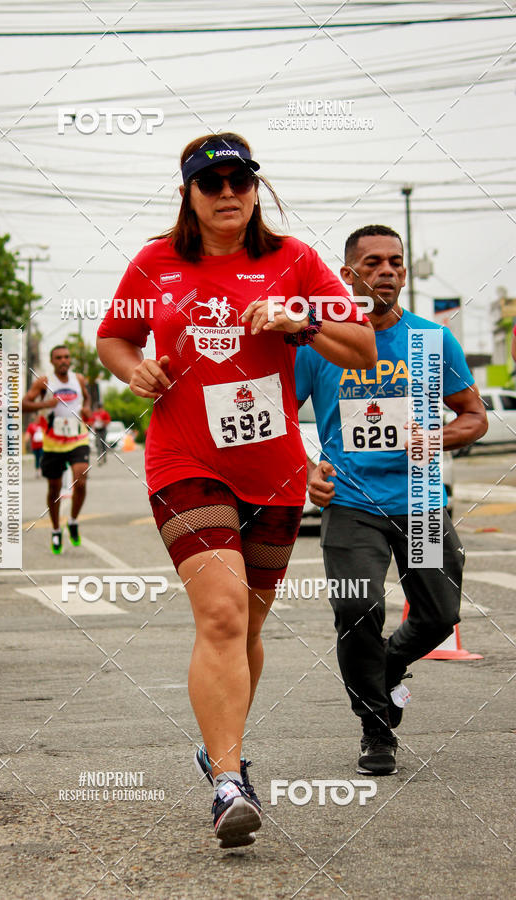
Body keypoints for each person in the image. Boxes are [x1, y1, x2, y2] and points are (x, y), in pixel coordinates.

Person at [97, 132, 376, 848]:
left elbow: (363, 347)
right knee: (219, 616)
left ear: (256, 189)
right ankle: (228, 783)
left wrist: (300, 322)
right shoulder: (155, 263)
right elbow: (114, 339)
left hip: (273, 469)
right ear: (188, 194)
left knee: (247, 628)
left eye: (240, 182)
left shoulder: (295, 261)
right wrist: (133, 369)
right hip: (186, 459)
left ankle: (222, 744)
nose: (228, 194)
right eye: (211, 183)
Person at [295, 225, 488, 776]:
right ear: (347, 274)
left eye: (396, 262)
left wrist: (435, 436)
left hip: (422, 499)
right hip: (352, 502)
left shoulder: (432, 341)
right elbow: (281, 415)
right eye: (373, 262)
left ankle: (385, 670)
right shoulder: (318, 343)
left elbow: (473, 417)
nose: (387, 271)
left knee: (438, 614)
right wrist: (307, 469)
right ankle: (376, 731)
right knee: (358, 610)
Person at [22, 346, 91, 554]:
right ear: (52, 361)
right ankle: (55, 529)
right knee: (54, 487)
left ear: (70, 360)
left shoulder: (78, 379)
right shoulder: (44, 381)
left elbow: (86, 397)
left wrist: (87, 407)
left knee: (81, 478)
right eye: (58, 357)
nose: (63, 360)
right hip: (53, 441)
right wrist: (46, 403)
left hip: (77, 436)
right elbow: (24, 404)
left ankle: (72, 520)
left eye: (66, 357)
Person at [25, 412, 47, 477]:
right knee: (37, 458)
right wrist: (26, 438)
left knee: (42, 458)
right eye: (36, 417)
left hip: (42, 446)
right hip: (35, 446)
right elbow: (28, 433)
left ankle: (41, 469)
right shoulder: (31, 426)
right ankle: (37, 470)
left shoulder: (42, 425)